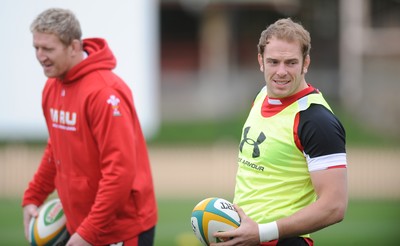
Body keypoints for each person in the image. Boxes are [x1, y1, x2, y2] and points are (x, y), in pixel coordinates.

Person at [22, 8, 157, 246]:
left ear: (73, 47)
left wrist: (88, 232)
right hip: (83, 228)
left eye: (48, 49)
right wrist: (33, 196)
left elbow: (119, 172)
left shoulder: (105, 93)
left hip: (122, 231)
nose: (40, 56)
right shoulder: (52, 87)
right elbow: (56, 149)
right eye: (36, 48)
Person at [212, 18, 348, 246]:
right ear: (260, 61)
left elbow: (334, 206)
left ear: (306, 63)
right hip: (247, 239)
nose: (281, 72)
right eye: (273, 62)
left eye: (291, 63)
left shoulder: (315, 120)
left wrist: (262, 232)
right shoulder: (262, 95)